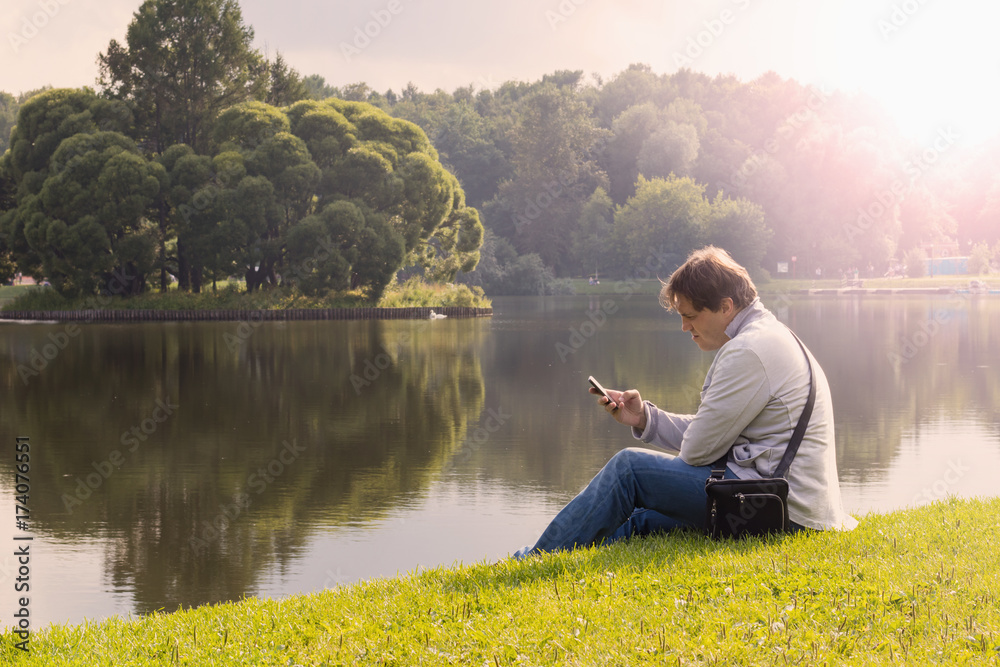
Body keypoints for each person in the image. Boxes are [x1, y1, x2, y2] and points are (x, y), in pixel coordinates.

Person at [514, 246, 856, 558]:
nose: (683, 327)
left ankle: (534, 560)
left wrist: (674, 440)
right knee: (643, 518)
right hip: (784, 506)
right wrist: (645, 418)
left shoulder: (748, 351)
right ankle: (562, 558)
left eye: (690, 316)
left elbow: (696, 451)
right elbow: (709, 435)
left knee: (628, 469)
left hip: (782, 513)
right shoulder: (768, 336)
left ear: (726, 306)